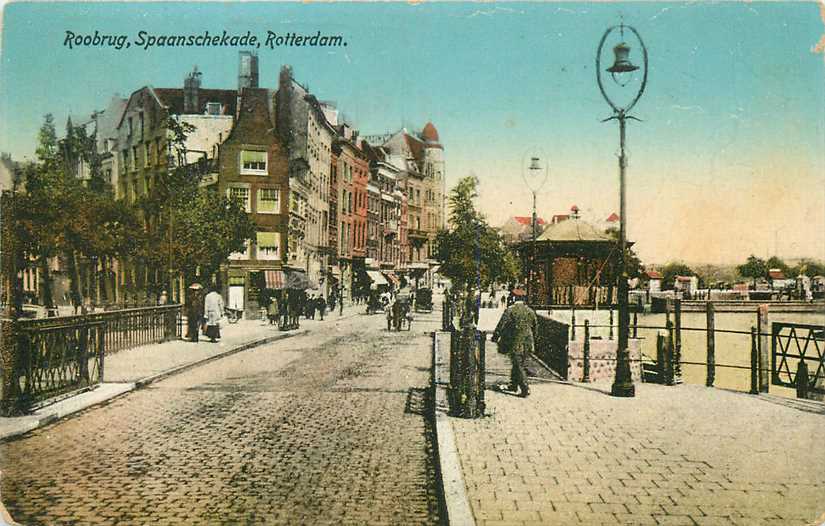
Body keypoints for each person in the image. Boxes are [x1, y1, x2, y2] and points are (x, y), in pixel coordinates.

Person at [491, 295, 537, 398]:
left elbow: (501, 324)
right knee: (518, 363)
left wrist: (495, 337)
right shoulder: (530, 311)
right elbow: (535, 327)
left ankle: (525, 388)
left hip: (515, 343)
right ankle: (513, 385)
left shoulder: (510, 310)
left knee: (518, 365)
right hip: (528, 343)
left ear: (513, 300)